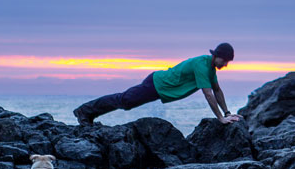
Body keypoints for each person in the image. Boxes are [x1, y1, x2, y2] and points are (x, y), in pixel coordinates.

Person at [73, 43, 242, 126]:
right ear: (217, 56)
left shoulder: (210, 69)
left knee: (125, 102)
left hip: (160, 87)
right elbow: (208, 94)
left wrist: (227, 113)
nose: (225, 64)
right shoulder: (202, 65)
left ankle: (88, 114)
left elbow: (217, 91)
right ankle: (85, 111)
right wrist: (220, 119)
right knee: (125, 101)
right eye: (225, 61)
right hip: (156, 84)